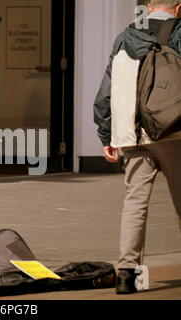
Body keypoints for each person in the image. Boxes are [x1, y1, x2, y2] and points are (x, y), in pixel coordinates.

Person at [93, 0, 181, 294]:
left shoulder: (125, 36)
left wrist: (106, 134)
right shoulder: (179, 32)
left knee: (135, 204)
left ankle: (128, 276)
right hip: (173, 133)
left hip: (133, 134)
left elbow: (107, 87)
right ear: (178, 7)